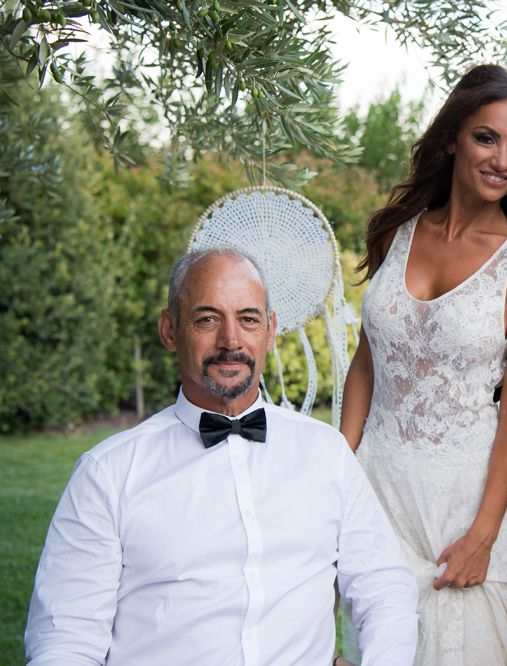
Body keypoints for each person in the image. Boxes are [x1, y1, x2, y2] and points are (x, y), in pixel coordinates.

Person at [25, 248, 418, 665]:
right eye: (207, 319)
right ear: (170, 330)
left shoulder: (326, 454)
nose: (231, 341)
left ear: (270, 330)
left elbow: (384, 589)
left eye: (248, 319)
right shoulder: (108, 473)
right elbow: (65, 640)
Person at [339, 63, 507, 664]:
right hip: (378, 486)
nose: (503, 160)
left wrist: (484, 535)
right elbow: (368, 361)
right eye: (486, 138)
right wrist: (337, 469)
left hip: (467, 499)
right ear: (452, 139)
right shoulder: (395, 233)